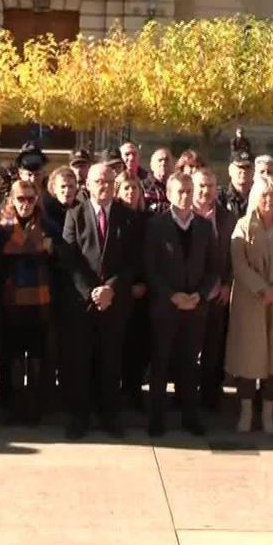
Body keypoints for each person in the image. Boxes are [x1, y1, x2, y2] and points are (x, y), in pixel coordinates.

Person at [58, 162, 140, 438]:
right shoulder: (75, 215)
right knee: (79, 362)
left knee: (111, 361)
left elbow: (131, 261)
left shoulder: (127, 216)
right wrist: (92, 291)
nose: (103, 186)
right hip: (82, 304)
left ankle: (110, 416)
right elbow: (69, 259)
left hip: (114, 303)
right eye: (98, 181)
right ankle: (78, 417)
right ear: (88, 185)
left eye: (108, 181)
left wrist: (110, 290)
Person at [222, 175, 273, 435]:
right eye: (263, 196)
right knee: (249, 357)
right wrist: (261, 288)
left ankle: (268, 413)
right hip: (250, 300)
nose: (268, 201)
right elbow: (239, 263)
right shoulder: (243, 226)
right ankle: (246, 412)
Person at [145, 171, 218, 436]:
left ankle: (190, 415)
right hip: (166, 306)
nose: (186, 196)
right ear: (169, 194)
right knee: (161, 362)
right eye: (180, 191)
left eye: (189, 191)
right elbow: (151, 268)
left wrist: (200, 294)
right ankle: (156, 417)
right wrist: (171, 295)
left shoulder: (203, 226)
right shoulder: (157, 225)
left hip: (195, 307)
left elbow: (213, 268)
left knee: (189, 364)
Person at [0, 179, 56, 424]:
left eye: (31, 199)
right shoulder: (1, 229)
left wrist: (48, 248)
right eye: (21, 198)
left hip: (41, 300)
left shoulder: (49, 226)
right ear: (12, 199)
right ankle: (15, 405)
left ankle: (34, 406)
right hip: (12, 301)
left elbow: (59, 255)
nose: (26, 204)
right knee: (14, 353)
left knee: (38, 353)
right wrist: (40, 247)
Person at [193, 169, 234, 410]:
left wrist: (228, 284)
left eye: (210, 186)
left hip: (219, 293)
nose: (205, 190)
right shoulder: (183, 214)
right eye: (201, 185)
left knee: (213, 347)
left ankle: (210, 396)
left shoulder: (228, 218)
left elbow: (233, 255)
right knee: (188, 349)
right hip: (191, 292)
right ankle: (183, 396)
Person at [117, 171, 152, 408]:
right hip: (119, 290)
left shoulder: (149, 220)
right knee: (119, 343)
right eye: (126, 188)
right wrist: (125, 286)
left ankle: (136, 390)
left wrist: (144, 284)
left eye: (134, 188)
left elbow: (155, 256)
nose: (131, 193)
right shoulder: (114, 218)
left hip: (145, 290)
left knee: (140, 344)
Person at [221, 151, 254, 219]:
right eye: (240, 167)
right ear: (230, 170)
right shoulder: (220, 198)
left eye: (247, 167)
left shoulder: (259, 196)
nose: (244, 171)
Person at [143, 148, 172, 212]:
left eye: (166, 160)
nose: (163, 163)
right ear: (152, 165)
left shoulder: (177, 186)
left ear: (172, 164)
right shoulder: (143, 187)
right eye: (160, 160)